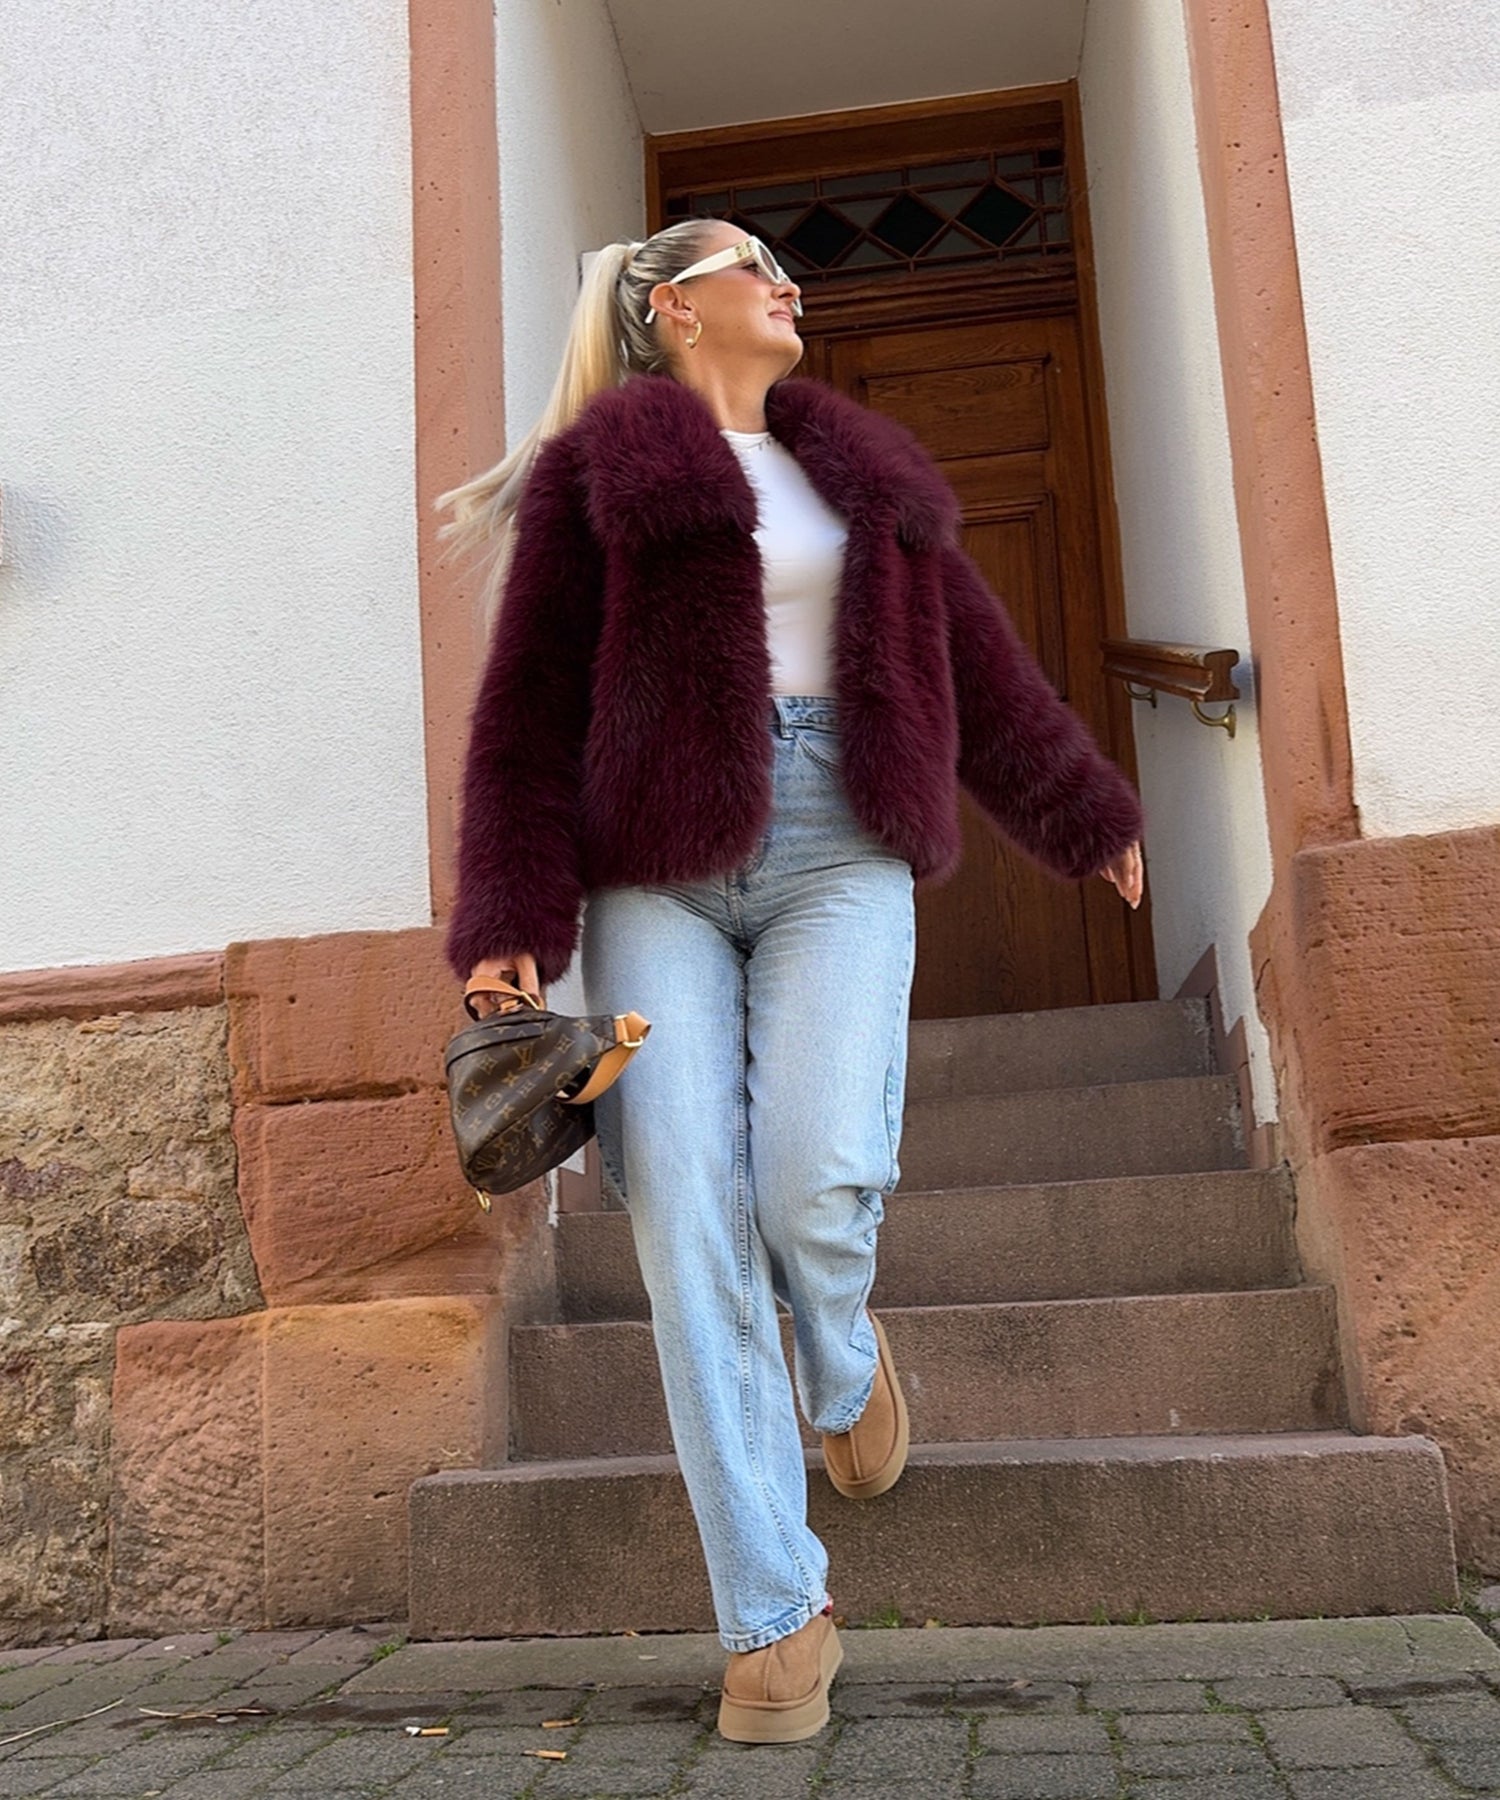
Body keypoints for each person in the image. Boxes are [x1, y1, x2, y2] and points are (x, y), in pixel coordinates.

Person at [437, 219, 1145, 1744]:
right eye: (751, 263)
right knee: (687, 1214)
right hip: (655, 868)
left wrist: (1084, 815)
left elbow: (975, 662)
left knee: (815, 1176)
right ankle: (773, 1619)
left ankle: (836, 1356)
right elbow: (530, 701)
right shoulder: (600, 473)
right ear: (674, 310)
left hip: (841, 848)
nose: (786, 281)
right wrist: (507, 914)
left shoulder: (865, 473)